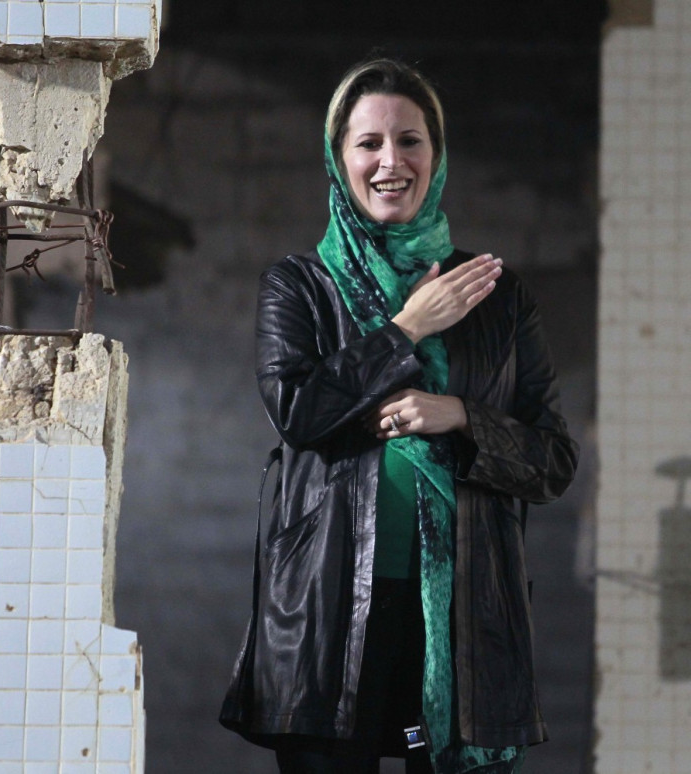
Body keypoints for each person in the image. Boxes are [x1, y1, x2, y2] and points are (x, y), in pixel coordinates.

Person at [220, 57, 579, 774]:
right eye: (369, 143)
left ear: (436, 156)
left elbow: (553, 461)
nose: (391, 161)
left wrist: (460, 416)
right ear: (338, 157)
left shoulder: (497, 297)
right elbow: (299, 411)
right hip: (329, 619)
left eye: (410, 141)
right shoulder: (298, 286)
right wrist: (407, 329)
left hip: (461, 621)